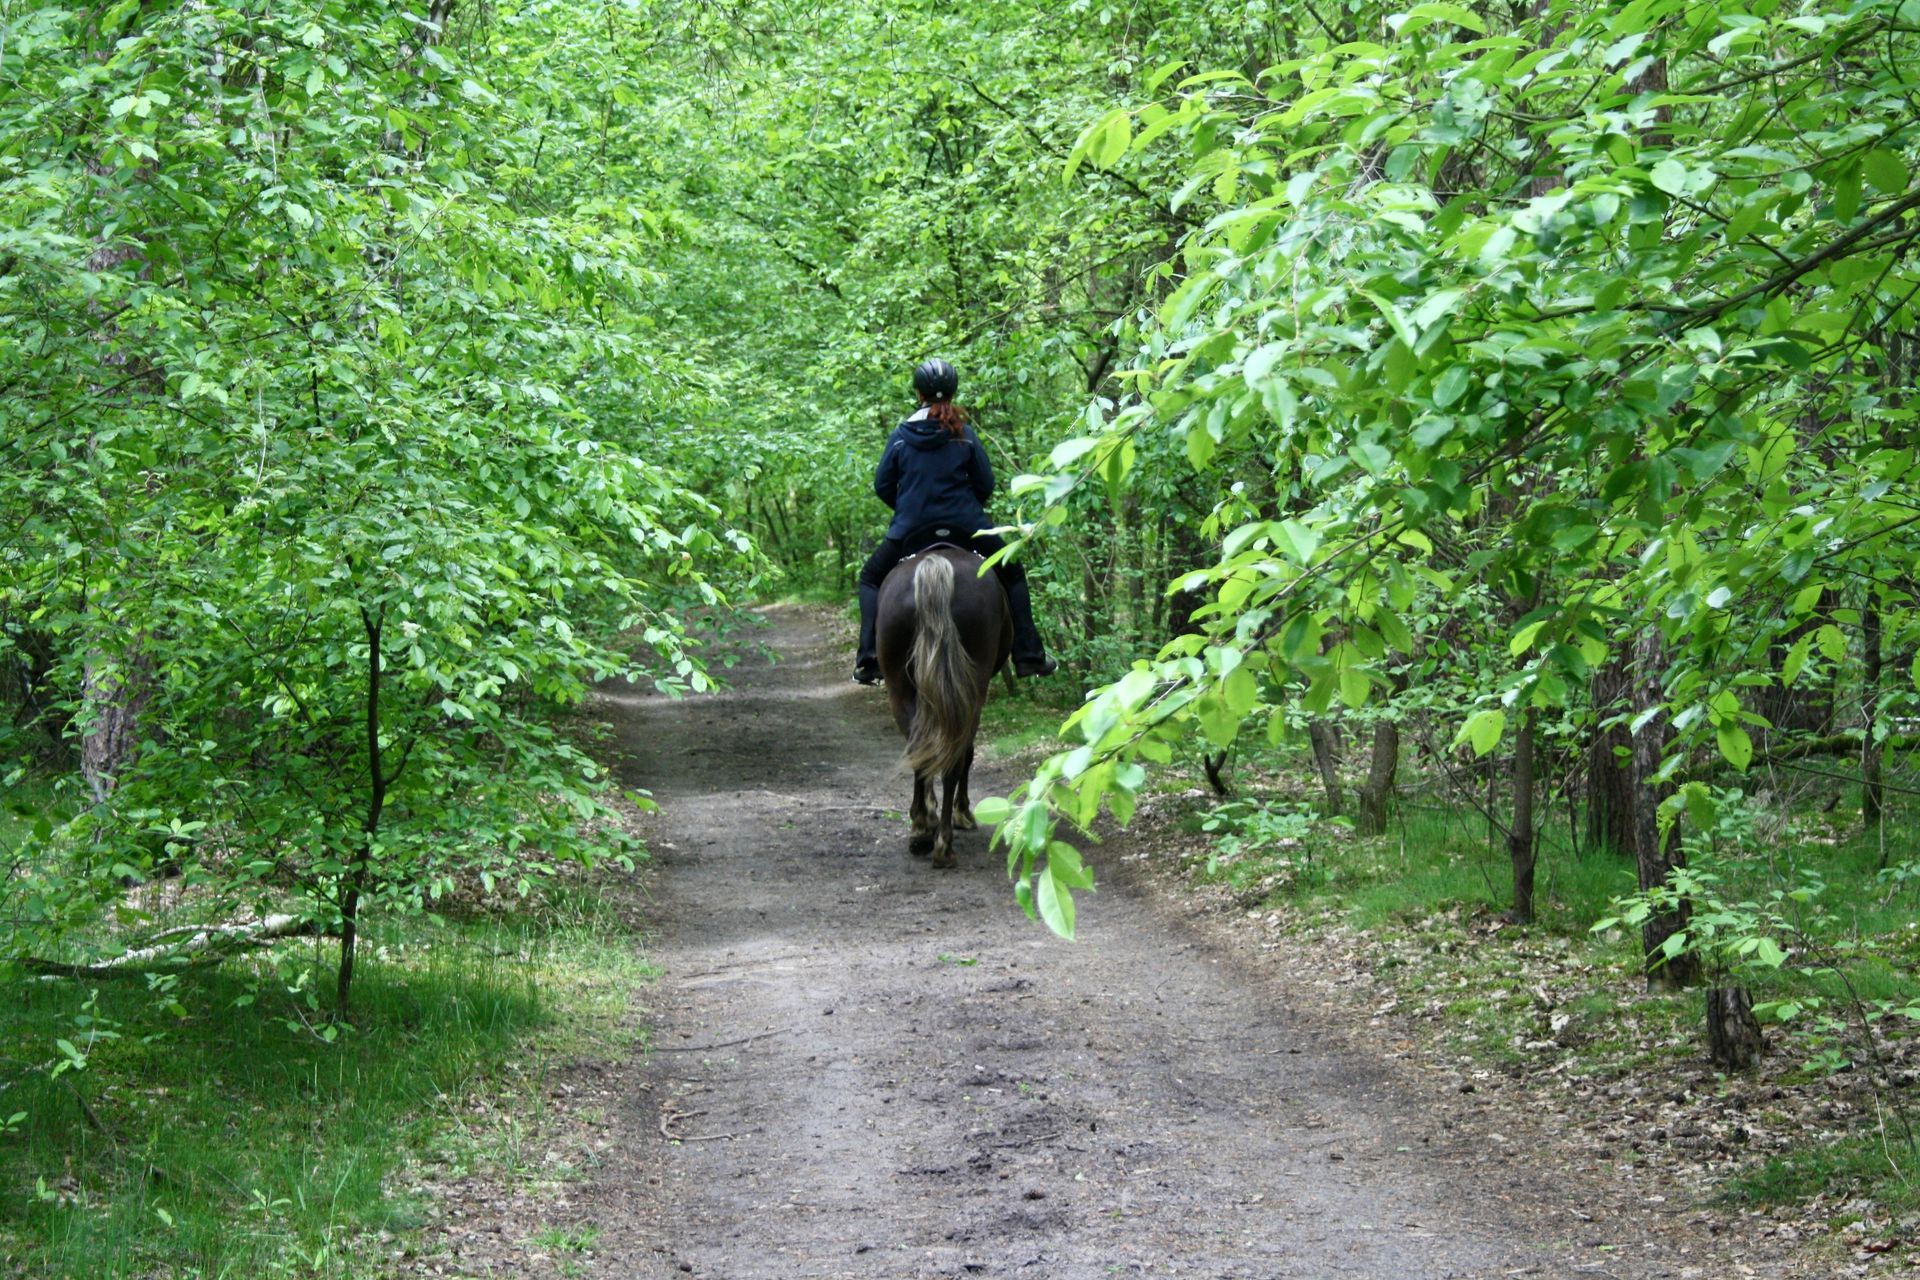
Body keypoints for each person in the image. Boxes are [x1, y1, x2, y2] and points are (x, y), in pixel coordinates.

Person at [852, 359, 1058, 685]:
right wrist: (967, 509)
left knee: (870, 579)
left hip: (911, 528)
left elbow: (882, 485)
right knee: (1013, 573)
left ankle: (869, 659)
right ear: (953, 392)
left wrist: (907, 509)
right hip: (967, 526)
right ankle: (1028, 655)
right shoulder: (965, 435)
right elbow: (985, 484)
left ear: (918, 393)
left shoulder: (901, 436)